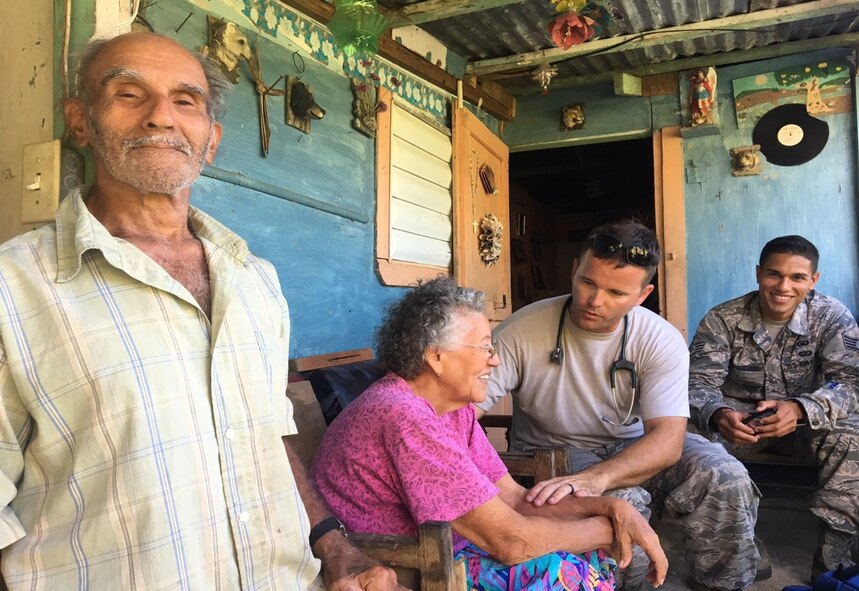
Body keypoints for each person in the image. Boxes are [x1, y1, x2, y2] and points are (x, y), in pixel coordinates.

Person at [0, 31, 399, 590]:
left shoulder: (255, 279)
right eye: (128, 94)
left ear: (210, 140)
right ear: (81, 121)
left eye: (184, 101)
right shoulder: (13, 288)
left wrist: (332, 544)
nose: (161, 117)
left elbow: (270, 433)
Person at [312, 277, 669, 591]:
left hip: (447, 545)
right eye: (485, 347)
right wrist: (606, 529)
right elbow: (511, 541)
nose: (494, 360)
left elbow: (513, 498)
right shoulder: (403, 415)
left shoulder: (452, 409)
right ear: (436, 357)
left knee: (583, 552)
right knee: (560, 571)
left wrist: (612, 507)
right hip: (401, 564)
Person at [478, 221, 763, 591]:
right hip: (552, 451)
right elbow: (463, 412)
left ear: (643, 294)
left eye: (616, 292)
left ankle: (723, 585)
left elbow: (668, 439)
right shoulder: (522, 330)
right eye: (587, 282)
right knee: (618, 504)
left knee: (727, 477)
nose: (595, 301)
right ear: (574, 269)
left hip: (632, 445)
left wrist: (598, 476)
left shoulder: (658, 338)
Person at [689, 235, 859, 578]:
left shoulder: (831, 316)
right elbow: (697, 385)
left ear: (813, 280)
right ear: (758, 273)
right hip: (740, 423)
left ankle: (833, 554)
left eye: (797, 277)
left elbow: (851, 383)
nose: (783, 286)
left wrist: (798, 408)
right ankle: (738, 543)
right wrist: (720, 414)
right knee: (687, 437)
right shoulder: (722, 319)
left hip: (806, 422)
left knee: (853, 435)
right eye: (773, 274)